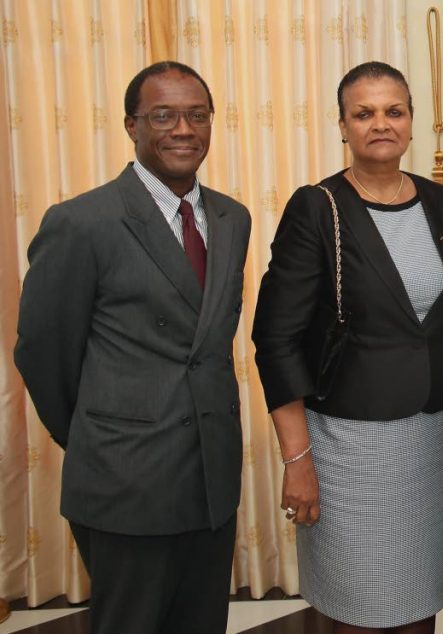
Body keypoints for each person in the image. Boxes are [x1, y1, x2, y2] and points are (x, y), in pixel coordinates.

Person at [14, 61, 251, 634]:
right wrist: (99, 435)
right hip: (125, 482)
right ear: (131, 125)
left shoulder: (232, 218)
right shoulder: (82, 222)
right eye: (163, 115)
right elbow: (44, 353)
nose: (183, 129)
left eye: (197, 115)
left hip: (212, 480)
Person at [251, 61, 443, 634]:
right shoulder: (317, 208)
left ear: (412, 121)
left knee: (418, 598)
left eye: (394, 111)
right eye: (363, 113)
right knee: (361, 605)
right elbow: (274, 340)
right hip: (348, 446)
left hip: (430, 438)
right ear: (342, 125)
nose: (380, 124)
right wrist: (298, 461)